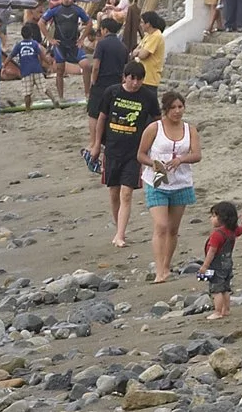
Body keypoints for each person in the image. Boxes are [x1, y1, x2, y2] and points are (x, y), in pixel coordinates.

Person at [139, 90, 201, 281]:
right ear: (165, 109)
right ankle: (159, 271)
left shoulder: (190, 129)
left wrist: (181, 159)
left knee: (173, 229)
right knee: (161, 225)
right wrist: (155, 164)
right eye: (173, 108)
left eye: (180, 107)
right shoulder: (154, 128)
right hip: (156, 180)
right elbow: (141, 154)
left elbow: (197, 154)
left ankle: (166, 266)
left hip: (180, 183)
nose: (177, 111)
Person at [101, 59, 160, 250]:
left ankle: (120, 234)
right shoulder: (112, 92)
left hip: (134, 153)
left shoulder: (148, 97)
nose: (135, 83)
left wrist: (153, 147)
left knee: (127, 193)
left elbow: (157, 122)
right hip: (111, 149)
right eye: (132, 78)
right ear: (124, 77)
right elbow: (102, 118)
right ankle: (118, 228)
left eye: (139, 79)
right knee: (114, 192)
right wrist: (95, 145)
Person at [85, 16, 130, 170]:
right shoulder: (123, 46)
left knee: (94, 113)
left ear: (104, 30)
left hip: (102, 83)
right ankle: (105, 142)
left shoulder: (102, 44)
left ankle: (93, 143)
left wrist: (93, 80)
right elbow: (125, 68)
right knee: (110, 115)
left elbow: (96, 66)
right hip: (116, 83)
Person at [197, 200, 242, 319]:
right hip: (227, 264)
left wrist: (204, 266)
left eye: (214, 216)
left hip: (216, 266)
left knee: (216, 290)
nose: (211, 218)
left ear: (222, 218)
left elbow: (212, 252)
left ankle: (218, 311)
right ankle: (226, 309)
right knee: (225, 288)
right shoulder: (232, 231)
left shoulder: (217, 234)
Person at [46, 0, 85, 105]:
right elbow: (41, 22)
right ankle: (61, 96)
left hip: (73, 43)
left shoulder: (77, 10)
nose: (69, 0)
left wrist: (82, 39)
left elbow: (88, 22)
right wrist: (49, 39)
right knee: (60, 70)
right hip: (59, 44)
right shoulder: (56, 10)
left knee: (86, 65)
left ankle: (87, 94)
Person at [10, 20, 48, 109]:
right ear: (31, 34)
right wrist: (48, 62)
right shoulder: (34, 44)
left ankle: (27, 109)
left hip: (26, 71)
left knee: (27, 92)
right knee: (44, 88)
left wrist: (5, 64)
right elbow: (41, 55)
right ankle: (54, 100)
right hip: (37, 69)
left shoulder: (19, 45)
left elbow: (11, 55)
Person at [134, 10, 167, 87]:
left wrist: (138, 52)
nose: (140, 24)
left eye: (142, 22)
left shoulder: (156, 36)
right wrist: (138, 51)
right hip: (142, 77)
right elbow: (136, 49)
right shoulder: (148, 35)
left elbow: (143, 55)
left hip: (150, 79)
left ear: (148, 24)